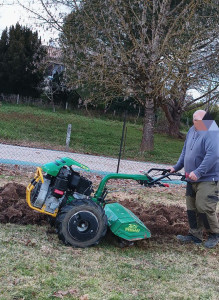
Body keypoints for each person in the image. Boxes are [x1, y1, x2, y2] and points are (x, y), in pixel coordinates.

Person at [169, 109, 219, 248]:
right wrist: (177, 166)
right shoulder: (192, 130)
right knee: (191, 208)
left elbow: (214, 154)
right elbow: (185, 150)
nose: (195, 122)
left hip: (208, 178)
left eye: (198, 120)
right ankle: (194, 235)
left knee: (204, 207)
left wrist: (198, 172)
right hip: (191, 178)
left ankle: (214, 234)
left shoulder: (212, 130)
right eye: (194, 119)